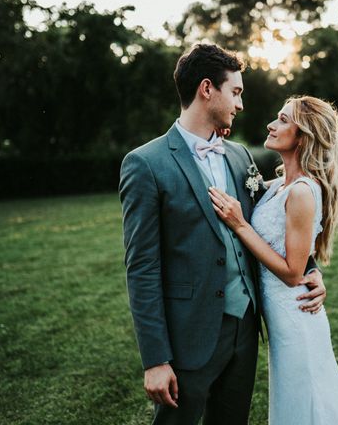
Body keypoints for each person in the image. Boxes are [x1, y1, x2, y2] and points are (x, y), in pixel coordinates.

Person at [118, 44, 327, 425]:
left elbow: (280, 217)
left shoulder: (240, 156)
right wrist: (155, 360)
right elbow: (141, 268)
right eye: (236, 91)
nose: (241, 104)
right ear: (206, 89)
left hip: (245, 331)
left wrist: (310, 271)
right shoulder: (146, 164)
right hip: (188, 336)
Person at [208, 96, 338, 424]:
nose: (272, 124)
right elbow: (301, 259)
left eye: (283, 120)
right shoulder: (276, 186)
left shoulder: (301, 191)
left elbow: (291, 271)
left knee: (310, 401)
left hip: (296, 319)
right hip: (282, 317)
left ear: (303, 136)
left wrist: (240, 224)